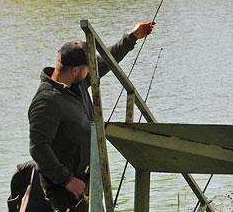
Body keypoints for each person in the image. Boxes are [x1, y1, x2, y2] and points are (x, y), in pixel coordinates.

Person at [28, 21, 155, 212]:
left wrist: (132, 38)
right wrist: (66, 180)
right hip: (66, 192)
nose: (92, 71)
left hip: (86, 183)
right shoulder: (46, 102)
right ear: (76, 70)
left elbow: (105, 64)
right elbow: (38, 147)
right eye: (89, 67)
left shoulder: (76, 84)